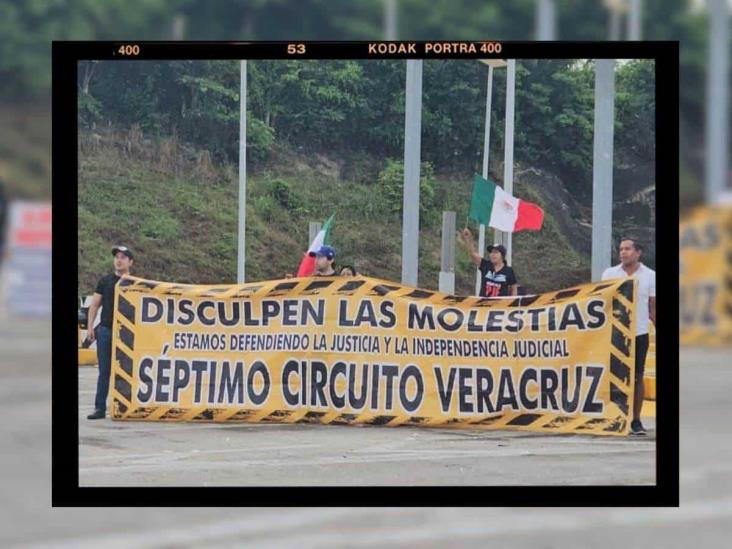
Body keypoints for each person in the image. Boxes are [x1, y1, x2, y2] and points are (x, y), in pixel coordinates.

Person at [601, 237, 656, 436]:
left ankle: (635, 420)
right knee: (613, 376)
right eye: (621, 249)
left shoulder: (650, 276)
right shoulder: (609, 274)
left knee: (637, 376)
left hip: (639, 332)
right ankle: (614, 417)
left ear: (638, 252)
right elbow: (601, 302)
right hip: (614, 333)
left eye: (628, 249)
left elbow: (652, 307)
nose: (623, 252)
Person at [85, 245, 135, 420]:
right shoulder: (105, 281)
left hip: (128, 332)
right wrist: (91, 327)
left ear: (130, 262)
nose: (119, 260)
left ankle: (125, 407)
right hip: (106, 330)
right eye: (117, 257)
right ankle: (99, 408)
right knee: (104, 371)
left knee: (127, 371)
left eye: (123, 257)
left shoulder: (135, 283)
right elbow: (95, 305)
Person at [458, 228, 518, 297]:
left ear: (502, 255)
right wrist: (468, 239)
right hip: (483, 306)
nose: (492, 254)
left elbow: (514, 288)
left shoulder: (509, 271)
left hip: (500, 306)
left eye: (496, 252)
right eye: (491, 252)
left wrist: (512, 303)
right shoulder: (486, 265)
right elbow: (472, 254)